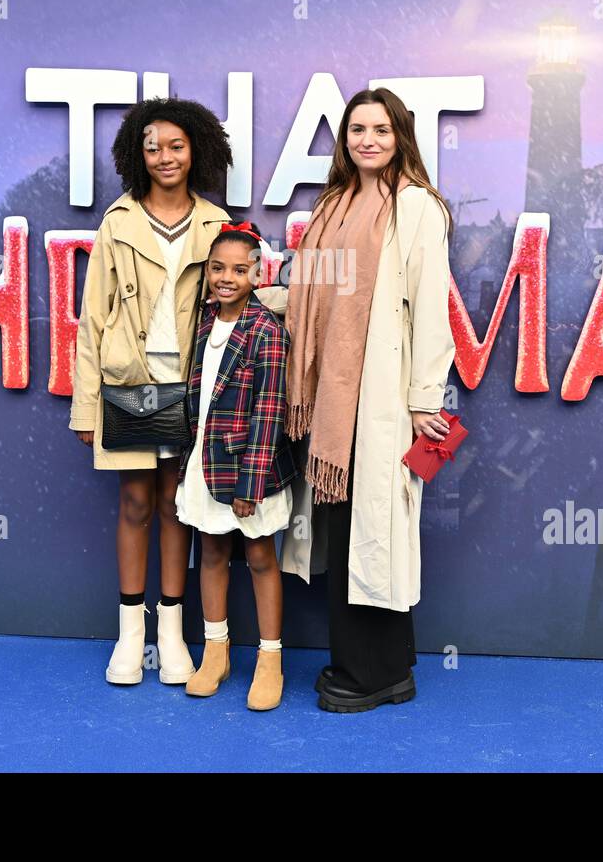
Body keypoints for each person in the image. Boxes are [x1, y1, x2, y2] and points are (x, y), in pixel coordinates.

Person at [281, 86, 456, 712]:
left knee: (373, 530)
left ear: (400, 135)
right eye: (358, 129)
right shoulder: (335, 205)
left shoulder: (416, 208)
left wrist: (422, 399)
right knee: (347, 525)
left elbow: (431, 309)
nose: (368, 140)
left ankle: (374, 676)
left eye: (381, 129)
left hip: (380, 394)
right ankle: (378, 663)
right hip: (333, 395)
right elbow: (313, 294)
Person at [69, 97, 233, 686]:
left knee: (176, 506)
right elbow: (93, 319)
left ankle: (172, 635)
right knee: (136, 503)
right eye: (152, 147)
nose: (165, 157)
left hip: (192, 388)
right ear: (137, 155)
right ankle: (129, 636)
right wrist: (86, 403)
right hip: (130, 384)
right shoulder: (118, 222)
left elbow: (243, 301)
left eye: (176, 146)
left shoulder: (218, 224)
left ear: (197, 151)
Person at [176, 222, 297, 711]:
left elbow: (270, 411)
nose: (227, 277)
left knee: (262, 558)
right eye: (218, 268)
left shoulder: (265, 328)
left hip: (251, 471)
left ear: (256, 273)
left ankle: (271, 660)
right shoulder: (205, 321)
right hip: (206, 461)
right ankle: (216, 651)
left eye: (239, 269)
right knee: (210, 555)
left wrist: (252, 483)